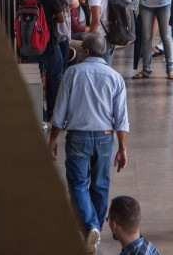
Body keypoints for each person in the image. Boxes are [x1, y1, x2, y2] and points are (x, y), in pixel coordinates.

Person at [49, 32, 130, 254]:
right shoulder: (115, 77)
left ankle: (91, 227)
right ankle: (94, 231)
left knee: (78, 184)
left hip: (78, 137)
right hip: (105, 137)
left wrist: (52, 139)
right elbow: (121, 118)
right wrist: (123, 148)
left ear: (84, 51)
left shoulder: (72, 73)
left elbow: (59, 112)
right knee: (100, 185)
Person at [24, 0, 70, 124]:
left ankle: (38, 113)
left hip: (28, 45)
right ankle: (54, 114)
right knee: (55, 77)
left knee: (33, 79)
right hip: (49, 44)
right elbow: (60, 18)